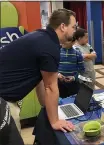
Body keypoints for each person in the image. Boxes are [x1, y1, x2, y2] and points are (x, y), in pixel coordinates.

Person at [0, 9, 77, 144]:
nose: (75, 31)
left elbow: (40, 80)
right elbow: (51, 87)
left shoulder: (41, 37)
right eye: (73, 27)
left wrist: (45, 106)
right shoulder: (49, 46)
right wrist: (55, 121)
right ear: (63, 26)